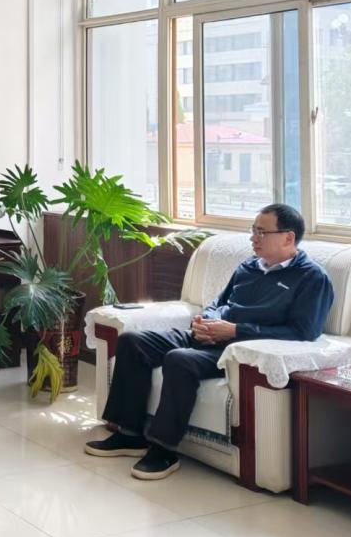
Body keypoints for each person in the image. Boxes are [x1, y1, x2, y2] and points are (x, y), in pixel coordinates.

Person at [85, 203, 334, 480]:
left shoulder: (311, 277)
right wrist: (205, 320)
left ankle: (163, 449)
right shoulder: (249, 266)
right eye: (253, 230)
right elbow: (219, 302)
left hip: (236, 350)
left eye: (262, 232)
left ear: (288, 237)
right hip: (209, 336)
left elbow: (303, 332)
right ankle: (130, 435)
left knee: (179, 359)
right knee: (132, 341)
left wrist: (235, 331)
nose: (253, 238)